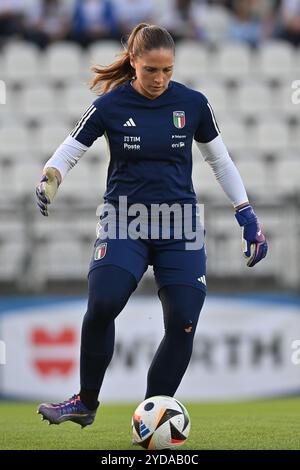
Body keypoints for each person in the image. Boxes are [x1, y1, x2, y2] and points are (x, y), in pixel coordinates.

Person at [36, 23, 268, 428]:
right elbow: (70, 150)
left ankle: (152, 417)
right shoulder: (109, 106)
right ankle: (85, 402)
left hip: (181, 226)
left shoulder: (194, 104)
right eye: (151, 71)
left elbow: (220, 161)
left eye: (168, 71)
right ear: (134, 64)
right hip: (125, 219)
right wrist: (50, 178)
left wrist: (246, 214)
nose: (160, 80)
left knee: (184, 320)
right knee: (104, 301)